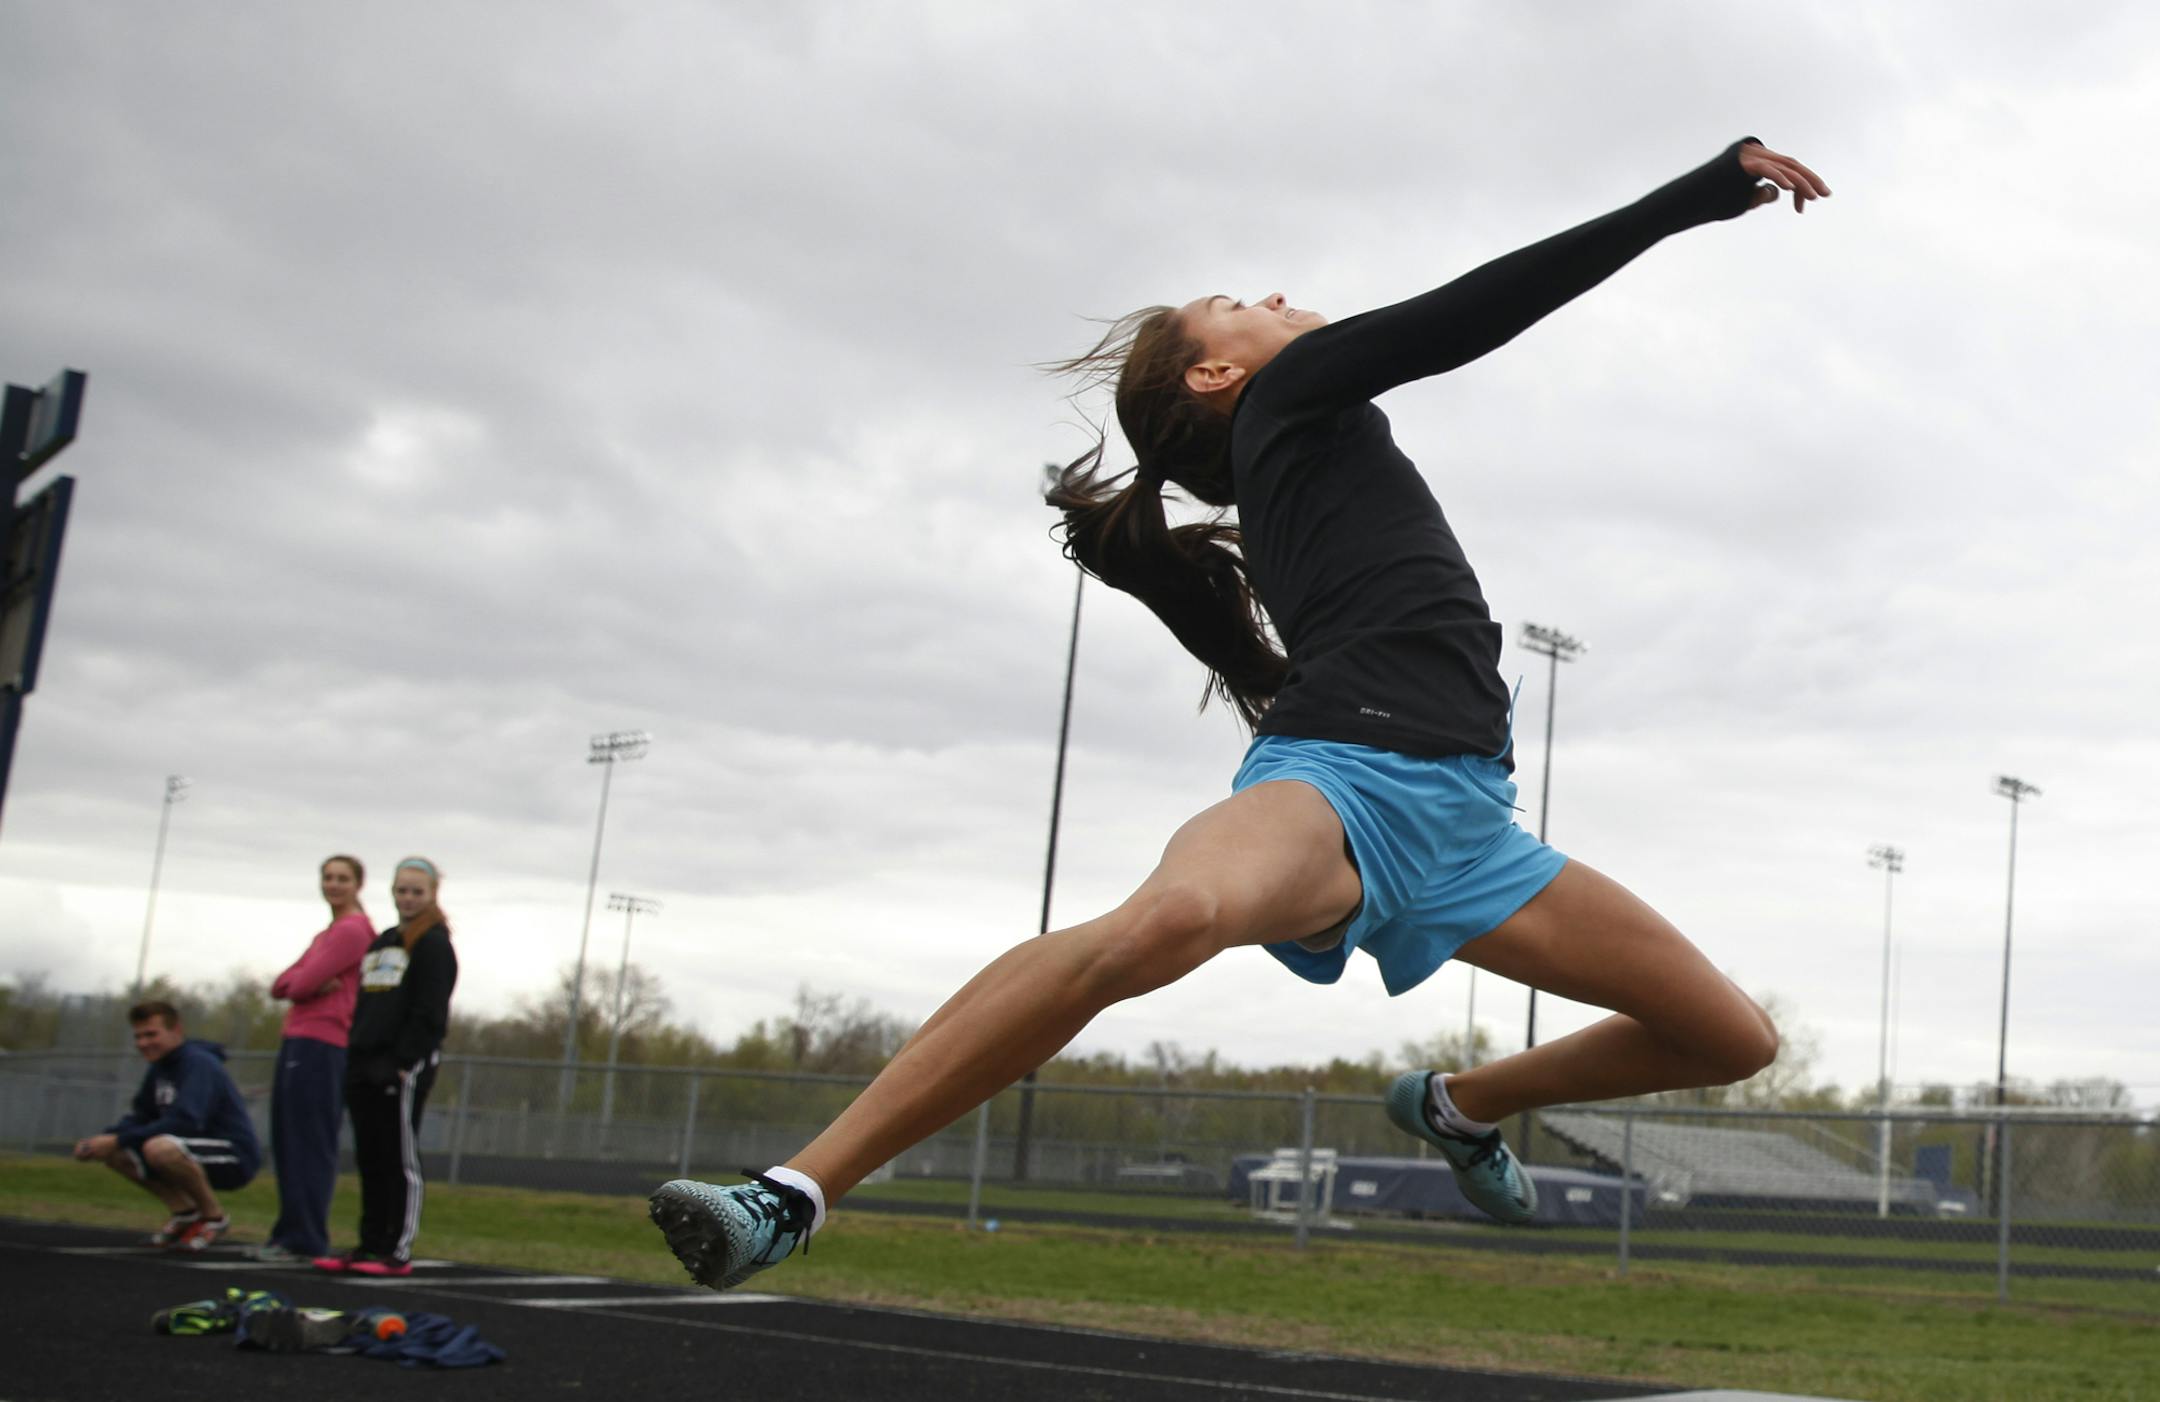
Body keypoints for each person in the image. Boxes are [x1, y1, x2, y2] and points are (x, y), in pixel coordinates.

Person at [649, 137, 1830, 1290]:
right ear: (1221, 376)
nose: (1271, 295)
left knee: (1734, 1040)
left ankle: (1461, 1102)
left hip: (1472, 822)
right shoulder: (1291, 399)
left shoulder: (1294, 445)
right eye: (1234, 304)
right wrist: (1700, 195)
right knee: (1162, 924)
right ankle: (790, 1194)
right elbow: (1473, 309)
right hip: (1337, 785)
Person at [314, 856, 457, 1277]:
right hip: (363, 1061)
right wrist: (357, 1053)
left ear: (431, 895)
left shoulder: (433, 943)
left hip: (401, 1066)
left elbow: (430, 1010)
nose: (407, 898)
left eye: (416, 891)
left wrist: (403, 1060)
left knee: (399, 1158)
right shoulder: (382, 942)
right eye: (401, 890)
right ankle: (369, 1243)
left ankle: (398, 1249)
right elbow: (367, 1003)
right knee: (370, 1156)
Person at [253, 854, 376, 1262]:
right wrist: (302, 984)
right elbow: (281, 984)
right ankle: (288, 1232)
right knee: (288, 1141)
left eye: (343, 878)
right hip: (299, 1040)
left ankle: (305, 1238)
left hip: (323, 1044)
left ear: (358, 884)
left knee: (309, 1141)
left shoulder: (353, 932)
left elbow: (299, 982)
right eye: (328, 877)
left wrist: (305, 984)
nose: (333, 885)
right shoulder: (329, 932)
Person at [74, 1000, 261, 1250]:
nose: (143, 1043)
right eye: (138, 1036)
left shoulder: (199, 1063)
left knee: (159, 1148)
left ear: (176, 1031)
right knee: (117, 1152)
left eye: (151, 1034)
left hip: (232, 1155)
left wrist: (119, 1139)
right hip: (184, 1148)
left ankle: (214, 1218)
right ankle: (185, 1214)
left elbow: (186, 1121)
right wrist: (105, 1140)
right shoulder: (160, 1068)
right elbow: (142, 1115)